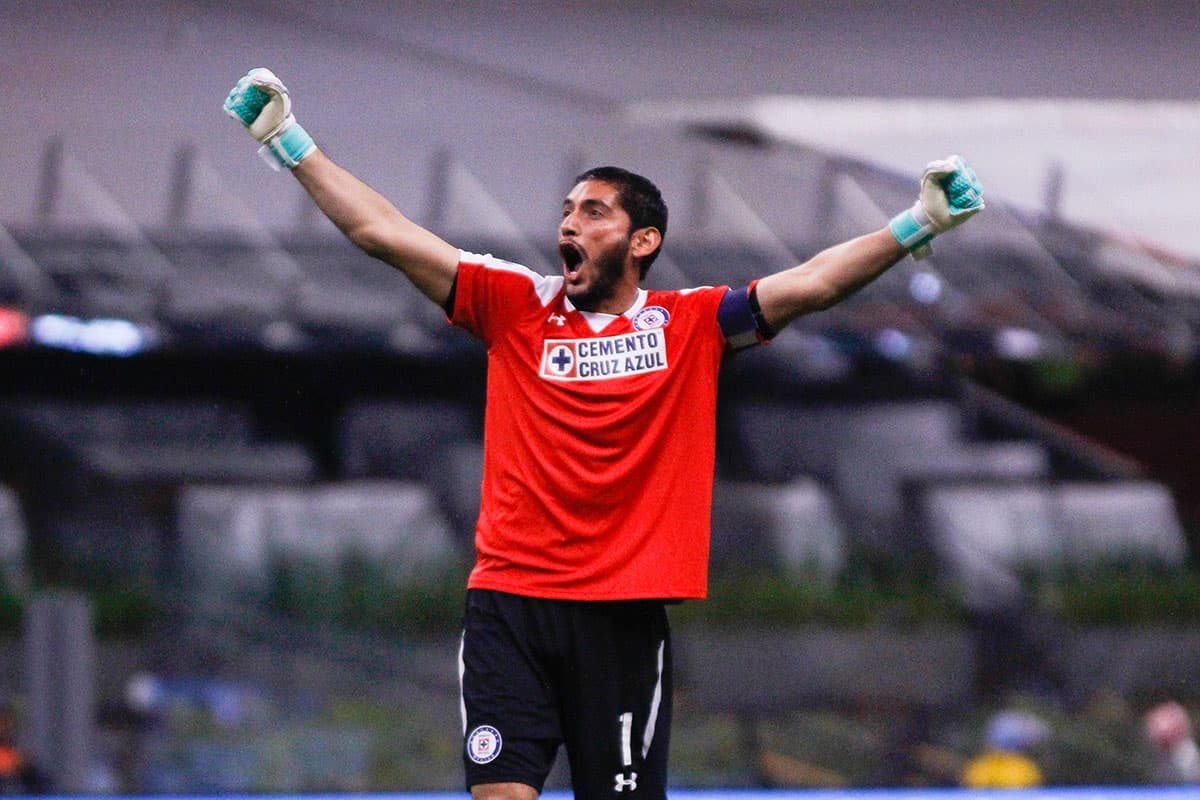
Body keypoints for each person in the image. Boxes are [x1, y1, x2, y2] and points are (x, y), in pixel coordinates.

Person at [223, 68, 984, 800]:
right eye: (567, 210)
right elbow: (381, 232)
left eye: (593, 212)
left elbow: (813, 283)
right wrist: (289, 141)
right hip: (510, 604)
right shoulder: (514, 303)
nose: (568, 224)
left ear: (642, 240)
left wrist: (916, 224)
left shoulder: (693, 323)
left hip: (621, 617)